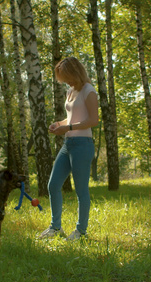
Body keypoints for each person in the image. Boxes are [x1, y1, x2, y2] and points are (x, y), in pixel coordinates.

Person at [38, 57, 99, 241]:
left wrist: (69, 128)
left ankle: (81, 232)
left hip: (82, 145)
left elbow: (93, 120)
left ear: (76, 73)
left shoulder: (89, 91)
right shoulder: (70, 91)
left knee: (81, 190)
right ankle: (55, 227)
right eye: (64, 79)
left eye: (68, 78)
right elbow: (71, 118)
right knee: (53, 185)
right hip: (68, 144)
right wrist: (59, 124)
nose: (67, 82)